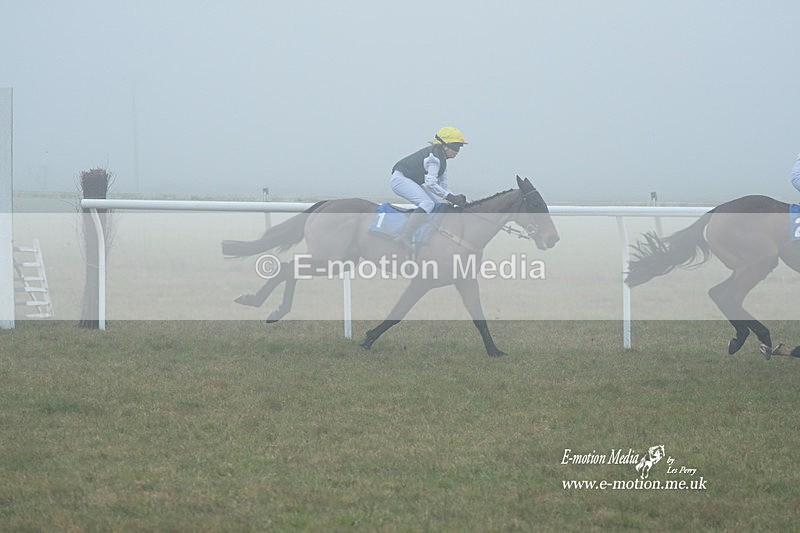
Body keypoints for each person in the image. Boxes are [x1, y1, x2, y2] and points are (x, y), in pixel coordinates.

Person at [390, 126, 469, 247]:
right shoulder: (434, 159)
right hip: (400, 179)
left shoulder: (442, 160)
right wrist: (449, 197)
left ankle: (423, 234)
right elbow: (430, 183)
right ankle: (404, 235)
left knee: (436, 206)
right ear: (444, 145)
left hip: (411, 180)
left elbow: (443, 186)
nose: (457, 151)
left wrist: (454, 197)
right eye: (455, 147)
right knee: (427, 204)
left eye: (459, 147)